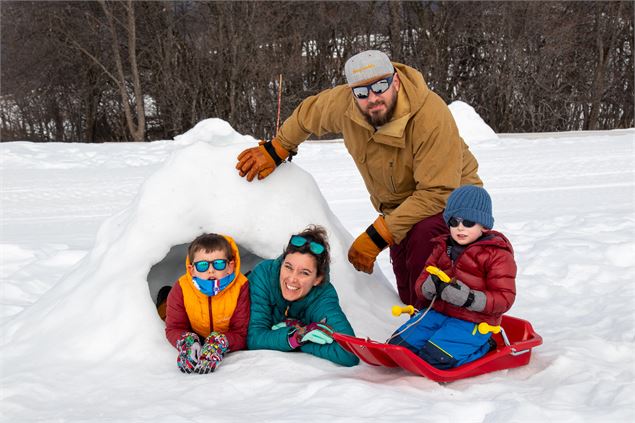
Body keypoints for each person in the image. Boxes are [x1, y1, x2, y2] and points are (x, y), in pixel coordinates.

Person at [235, 49, 482, 309]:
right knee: (410, 292)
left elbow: (438, 191)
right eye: (362, 93)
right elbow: (308, 114)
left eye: (380, 87)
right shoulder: (346, 105)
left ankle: (450, 317)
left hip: (453, 203)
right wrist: (278, 149)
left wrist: (378, 235)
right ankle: (421, 317)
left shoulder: (430, 116)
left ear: (395, 81)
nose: (372, 98)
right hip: (400, 207)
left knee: (426, 258)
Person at [387, 185, 516, 369]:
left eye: (469, 222)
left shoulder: (497, 254)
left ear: (483, 224)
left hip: (474, 322)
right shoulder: (442, 247)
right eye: (454, 222)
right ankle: (438, 340)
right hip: (439, 314)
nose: (460, 228)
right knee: (397, 347)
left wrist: (469, 298)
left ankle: (485, 346)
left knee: (434, 360)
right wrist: (428, 286)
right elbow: (422, 282)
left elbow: (505, 298)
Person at [247, 225, 359, 367]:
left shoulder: (323, 296)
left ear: (317, 279)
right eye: (288, 267)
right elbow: (254, 337)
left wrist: (301, 339)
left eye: (304, 273)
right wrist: (296, 335)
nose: (293, 278)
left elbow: (349, 352)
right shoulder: (264, 275)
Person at [163, 233, 250, 374]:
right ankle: (162, 301)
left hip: (224, 335)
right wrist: (186, 341)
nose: (211, 270)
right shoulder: (181, 288)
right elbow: (174, 327)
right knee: (165, 310)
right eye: (203, 265)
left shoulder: (241, 288)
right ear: (192, 270)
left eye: (219, 264)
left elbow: (242, 333)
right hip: (195, 330)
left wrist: (221, 342)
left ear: (230, 266)